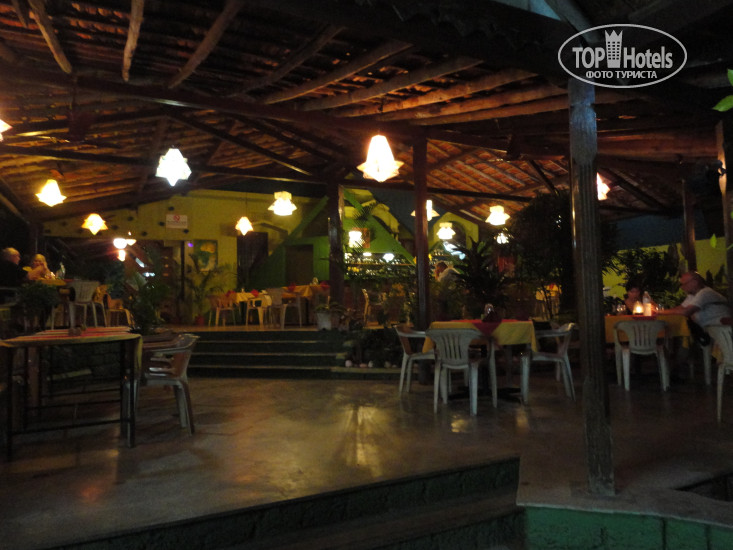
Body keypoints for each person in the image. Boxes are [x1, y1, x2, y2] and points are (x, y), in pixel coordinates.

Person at [666, 271, 731, 329]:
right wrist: (662, 312)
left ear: (694, 282)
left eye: (684, 284)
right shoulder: (692, 296)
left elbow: (686, 311)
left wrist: (660, 312)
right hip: (712, 330)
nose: (682, 287)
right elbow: (680, 308)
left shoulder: (705, 292)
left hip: (723, 329)